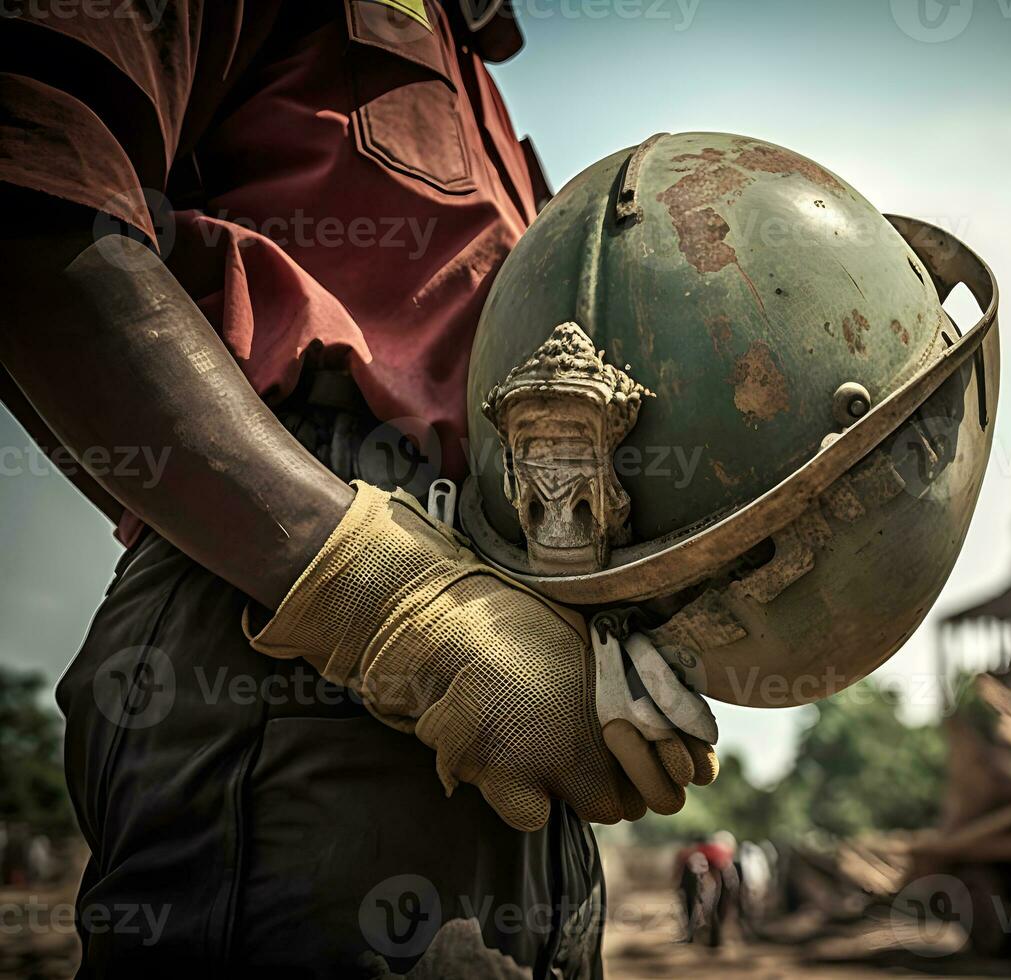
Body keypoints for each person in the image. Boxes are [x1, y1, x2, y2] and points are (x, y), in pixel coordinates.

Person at [0, 2, 711, 975]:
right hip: (295, 631)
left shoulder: (482, 82)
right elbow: (34, 198)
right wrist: (387, 596)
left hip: (512, 656)